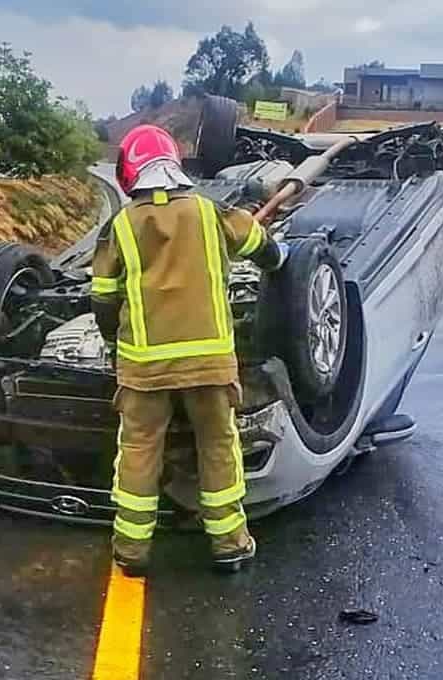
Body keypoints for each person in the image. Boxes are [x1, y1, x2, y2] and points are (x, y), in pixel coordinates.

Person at [92, 124, 286, 575]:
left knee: (140, 449)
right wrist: (282, 261)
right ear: (173, 163)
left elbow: (102, 296)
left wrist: (112, 341)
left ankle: (132, 552)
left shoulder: (120, 226)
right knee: (218, 446)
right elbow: (262, 246)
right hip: (210, 365)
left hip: (144, 369)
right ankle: (230, 545)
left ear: (130, 172)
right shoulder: (209, 211)